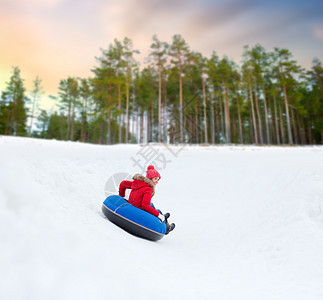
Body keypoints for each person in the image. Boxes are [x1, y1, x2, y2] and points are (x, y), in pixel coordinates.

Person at [118, 165, 175, 234]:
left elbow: (123, 184)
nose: (157, 181)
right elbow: (145, 206)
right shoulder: (148, 189)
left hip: (132, 205)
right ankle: (166, 227)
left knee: (152, 205)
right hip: (139, 210)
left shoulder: (137, 183)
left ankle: (164, 217)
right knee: (158, 211)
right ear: (150, 178)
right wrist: (158, 215)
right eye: (155, 179)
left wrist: (121, 196)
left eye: (158, 179)